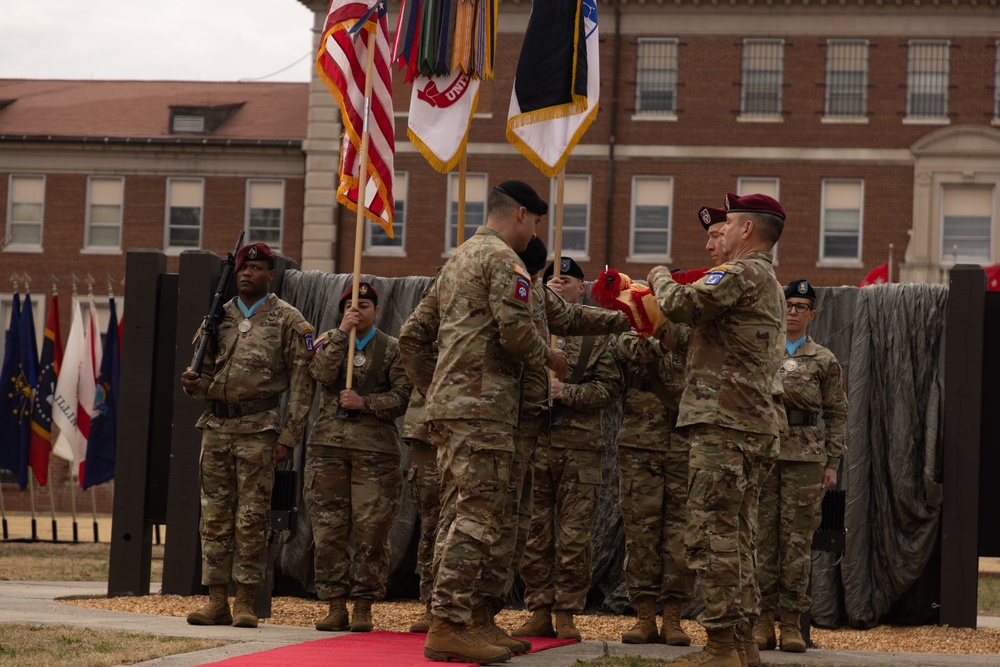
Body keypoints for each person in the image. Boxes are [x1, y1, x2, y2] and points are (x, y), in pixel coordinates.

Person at [398, 180, 569, 665]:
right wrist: (551, 357)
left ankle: (473, 620)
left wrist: (439, 391)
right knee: (477, 518)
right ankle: (449, 624)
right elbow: (516, 333)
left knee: (466, 513)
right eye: (535, 221)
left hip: (460, 410)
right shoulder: (503, 260)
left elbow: (412, 335)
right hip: (484, 412)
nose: (533, 230)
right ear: (520, 214)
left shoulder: (458, 260)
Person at [647, 192, 786, 667]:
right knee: (738, 534)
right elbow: (700, 335)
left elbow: (682, 304)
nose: (720, 233)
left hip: (725, 423)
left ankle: (723, 646)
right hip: (750, 424)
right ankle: (743, 644)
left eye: (727, 225)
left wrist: (657, 278)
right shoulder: (764, 279)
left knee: (713, 534)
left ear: (746, 230)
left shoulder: (741, 271)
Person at [180, 242, 315, 629]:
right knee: (215, 517)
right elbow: (202, 376)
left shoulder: (289, 320)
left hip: (259, 431)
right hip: (217, 429)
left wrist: (289, 436)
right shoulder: (217, 318)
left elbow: (304, 384)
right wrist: (192, 383)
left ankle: (245, 601)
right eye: (243, 267)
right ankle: (216, 600)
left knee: (252, 518)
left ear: (271, 275)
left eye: (256, 268)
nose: (247, 273)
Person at [515, 257, 623, 641]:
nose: (558, 286)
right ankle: (539, 608)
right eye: (551, 281)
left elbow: (610, 390)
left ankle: (567, 611)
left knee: (575, 536)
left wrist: (568, 392)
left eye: (567, 281)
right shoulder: (528, 325)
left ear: (582, 289)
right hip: (536, 442)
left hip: (580, 448)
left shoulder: (599, 335)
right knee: (534, 532)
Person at [305, 282, 412, 633]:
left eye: (364, 304)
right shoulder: (329, 341)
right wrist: (341, 333)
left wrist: (365, 403)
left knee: (372, 531)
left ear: (377, 311)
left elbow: (402, 398)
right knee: (329, 530)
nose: (357, 310)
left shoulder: (393, 349)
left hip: (376, 453)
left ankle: (364, 604)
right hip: (329, 450)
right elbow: (319, 374)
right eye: (350, 304)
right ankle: (335, 604)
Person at [755, 280, 847, 653]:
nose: (792, 311)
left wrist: (833, 462)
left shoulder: (823, 359)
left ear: (812, 314)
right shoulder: (761, 350)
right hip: (764, 453)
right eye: (788, 304)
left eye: (800, 306)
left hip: (806, 458)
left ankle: (792, 624)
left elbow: (837, 413)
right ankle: (762, 622)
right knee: (762, 541)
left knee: (795, 544)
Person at [614, 320, 694, 646]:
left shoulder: (694, 336)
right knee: (640, 534)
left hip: (685, 446)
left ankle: (673, 619)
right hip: (639, 446)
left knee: (681, 535)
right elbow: (633, 350)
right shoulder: (634, 333)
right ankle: (645, 617)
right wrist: (658, 332)